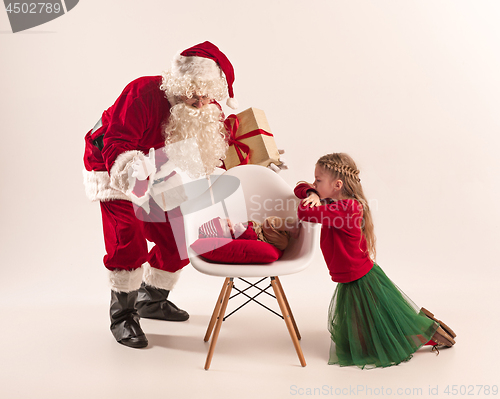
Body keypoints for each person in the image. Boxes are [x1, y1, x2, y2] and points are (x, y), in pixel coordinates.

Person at [83, 41, 241, 349]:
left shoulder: (207, 109)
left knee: (179, 234)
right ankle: (123, 315)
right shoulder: (142, 92)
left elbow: (214, 153)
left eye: (207, 94)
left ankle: (152, 299)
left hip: (161, 168)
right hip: (114, 165)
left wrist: (258, 163)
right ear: (179, 82)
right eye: (193, 92)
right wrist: (137, 181)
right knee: (127, 236)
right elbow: (117, 141)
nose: (200, 102)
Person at [294, 153, 456, 369]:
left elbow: (304, 212)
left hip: (358, 276)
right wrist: (313, 191)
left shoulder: (345, 209)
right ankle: (424, 326)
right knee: (370, 326)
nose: (314, 183)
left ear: (337, 184)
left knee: (377, 331)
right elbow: (299, 187)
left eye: (318, 180)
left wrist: (312, 197)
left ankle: (427, 332)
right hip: (352, 273)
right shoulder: (333, 203)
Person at [198, 216, 301, 250]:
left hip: (276, 236)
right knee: (269, 222)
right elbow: (252, 239)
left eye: (225, 221)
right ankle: (292, 228)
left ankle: (290, 231)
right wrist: (242, 231)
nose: (229, 224)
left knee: (275, 222)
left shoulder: (236, 228)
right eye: (225, 227)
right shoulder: (235, 239)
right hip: (268, 239)